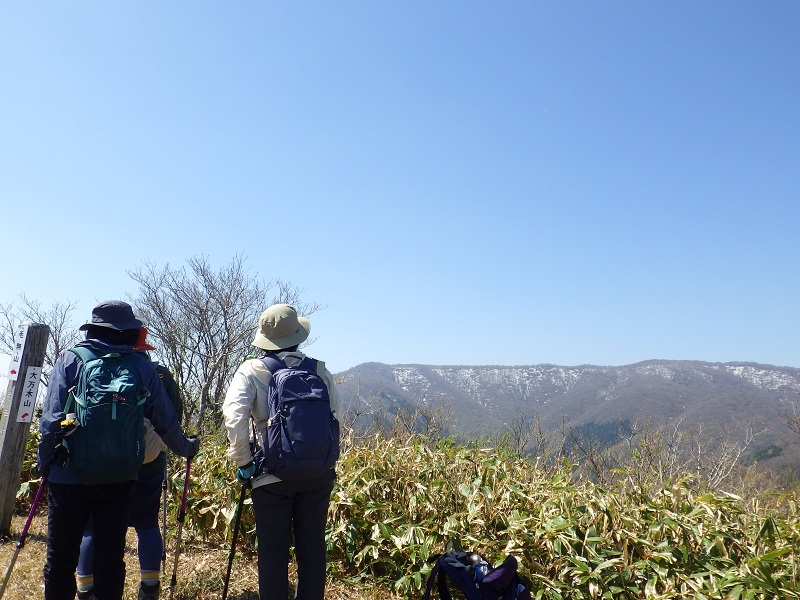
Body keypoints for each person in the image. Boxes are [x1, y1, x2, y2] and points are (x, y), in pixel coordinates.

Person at [37, 301, 200, 600]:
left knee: (60, 561)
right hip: (121, 477)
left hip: (69, 475)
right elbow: (166, 421)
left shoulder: (71, 360)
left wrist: (44, 463)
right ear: (128, 332)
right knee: (111, 562)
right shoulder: (141, 367)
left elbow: (51, 419)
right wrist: (187, 448)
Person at [222, 304, 339, 600]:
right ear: (298, 336)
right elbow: (336, 417)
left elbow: (234, 417)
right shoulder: (320, 370)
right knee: (312, 550)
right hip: (317, 475)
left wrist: (244, 461)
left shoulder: (252, 369)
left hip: (270, 474)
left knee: (273, 552)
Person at [76, 326, 184, 600]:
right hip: (147, 458)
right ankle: (149, 587)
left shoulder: (93, 366)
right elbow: (174, 416)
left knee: (91, 526)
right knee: (147, 523)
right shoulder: (159, 373)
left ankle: (85, 587)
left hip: (102, 460)